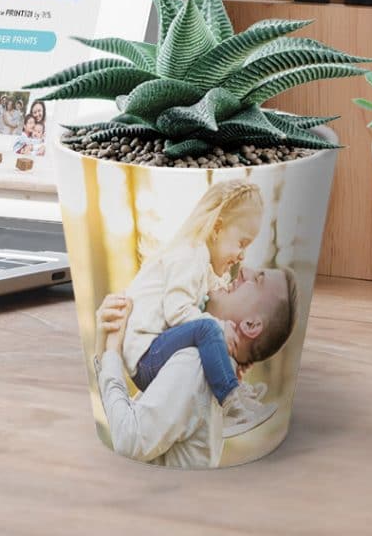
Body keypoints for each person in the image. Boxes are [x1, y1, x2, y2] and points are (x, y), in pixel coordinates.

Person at [94, 263, 299, 468]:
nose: (244, 270)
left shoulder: (196, 364)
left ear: (251, 325)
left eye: (258, 280)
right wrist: (103, 348)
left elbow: (129, 440)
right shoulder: (207, 363)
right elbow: (124, 422)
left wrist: (111, 351)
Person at [122, 179, 273, 438]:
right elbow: (177, 312)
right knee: (207, 327)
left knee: (211, 328)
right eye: (242, 243)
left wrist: (233, 353)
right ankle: (231, 408)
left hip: (156, 351)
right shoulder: (189, 255)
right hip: (146, 357)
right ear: (217, 228)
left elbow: (216, 297)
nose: (242, 256)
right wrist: (219, 329)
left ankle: (236, 391)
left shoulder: (200, 262)